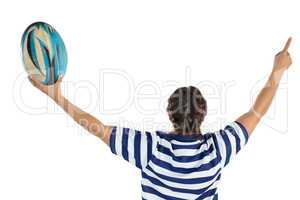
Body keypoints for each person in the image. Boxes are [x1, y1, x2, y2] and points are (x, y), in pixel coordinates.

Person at [29, 37, 293, 200]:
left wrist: (56, 96)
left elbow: (96, 128)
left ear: (169, 113)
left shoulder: (149, 149)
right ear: (203, 114)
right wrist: (277, 71)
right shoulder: (218, 150)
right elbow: (256, 112)